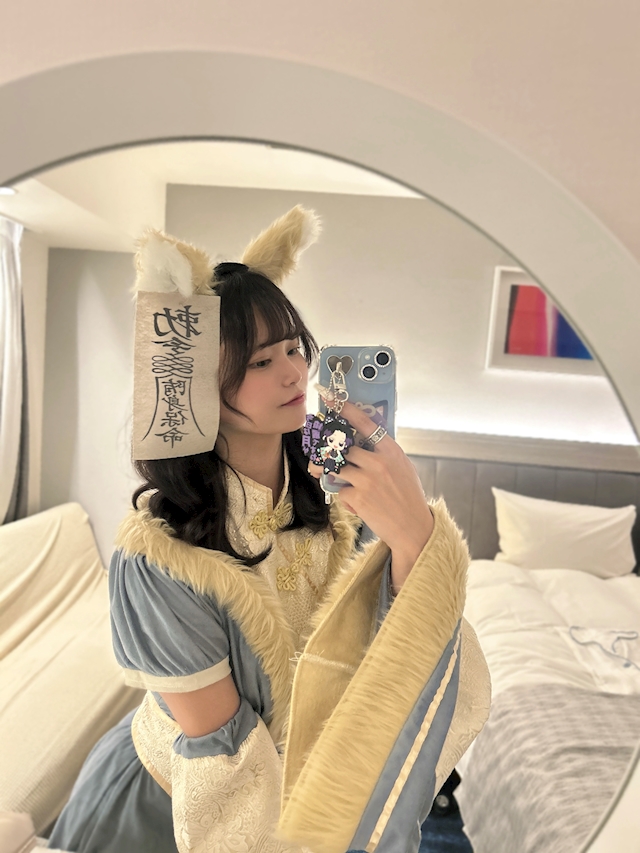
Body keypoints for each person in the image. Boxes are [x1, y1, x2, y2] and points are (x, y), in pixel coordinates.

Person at [48, 206, 490, 853]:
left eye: (293, 349)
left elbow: (390, 651)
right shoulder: (160, 557)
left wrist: (413, 538)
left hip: (310, 793)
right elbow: (224, 759)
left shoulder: (339, 505)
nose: (292, 373)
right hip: (180, 805)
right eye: (260, 361)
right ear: (199, 379)